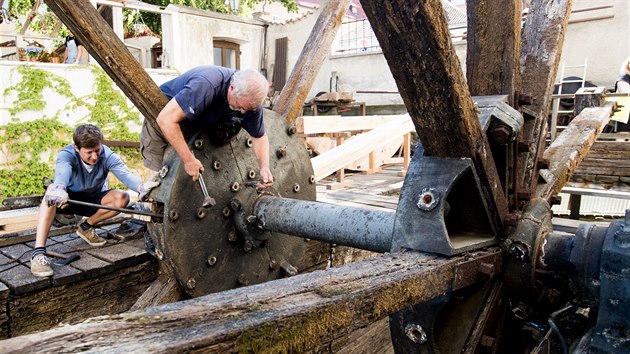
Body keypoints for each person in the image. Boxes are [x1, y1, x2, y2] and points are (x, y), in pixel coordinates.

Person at [31, 124, 157, 277]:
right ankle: (38, 253)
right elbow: (62, 173)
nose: (95, 157)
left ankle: (85, 227)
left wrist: (141, 188)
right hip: (67, 200)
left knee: (122, 197)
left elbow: (124, 174)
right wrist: (59, 188)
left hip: (92, 200)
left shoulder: (107, 155)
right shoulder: (67, 155)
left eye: (97, 150)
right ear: (77, 148)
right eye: (89, 153)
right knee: (50, 193)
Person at [140, 65, 273, 187]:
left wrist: (264, 167)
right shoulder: (206, 85)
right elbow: (165, 119)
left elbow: (259, 137)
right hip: (164, 119)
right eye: (241, 106)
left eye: (248, 109)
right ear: (231, 88)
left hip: (196, 124)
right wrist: (188, 160)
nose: (244, 112)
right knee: (158, 184)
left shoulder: (250, 104)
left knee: (190, 184)